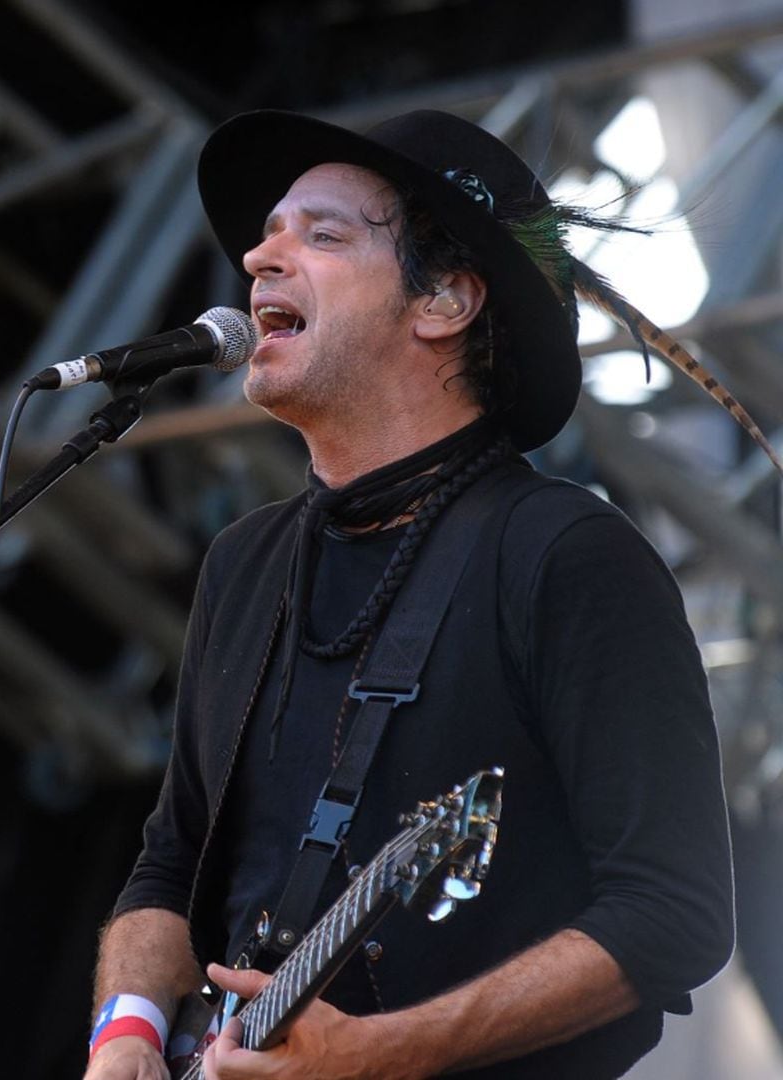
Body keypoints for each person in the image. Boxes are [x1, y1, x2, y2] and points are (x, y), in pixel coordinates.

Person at [83, 109, 752, 1080]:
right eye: (268, 233)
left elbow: (674, 913)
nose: (259, 257)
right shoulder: (243, 564)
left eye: (322, 235)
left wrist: (381, 1055)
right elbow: (173, 862)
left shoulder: (570, 557)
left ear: (444, 300)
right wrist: (128, 1033)